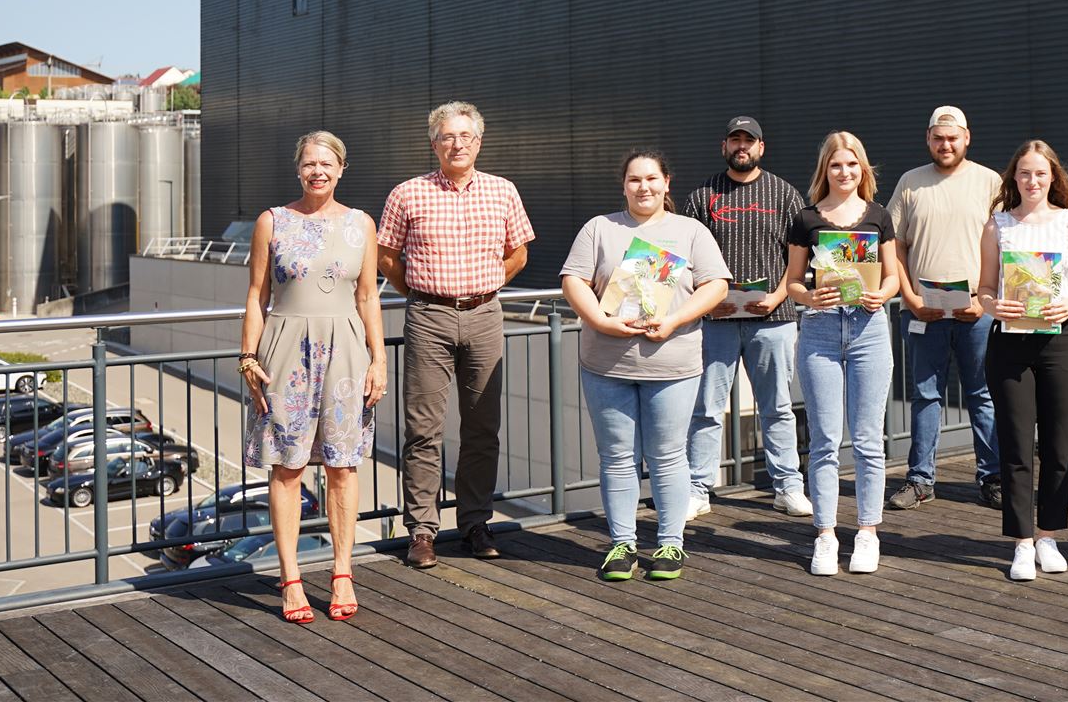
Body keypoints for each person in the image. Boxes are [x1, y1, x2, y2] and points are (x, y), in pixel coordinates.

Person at [377, 101, 534, 570]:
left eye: (466, 136)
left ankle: (474, 523)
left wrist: (480, 288)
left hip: (485, 314)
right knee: (423, 429)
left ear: (479, 142)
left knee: (483, 426)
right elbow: (387, 257)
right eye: (447, 136)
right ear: (434, 144)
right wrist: (428, 294)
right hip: (428, 316)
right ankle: (422, 530)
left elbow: (518, 253)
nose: (457, 143)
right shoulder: (408, 193)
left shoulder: (503, 191)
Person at [562, 149, 730, 582]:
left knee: (669, 455)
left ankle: (671, 544)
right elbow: (573, 280)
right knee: (617, 458)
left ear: (666, 182)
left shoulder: (690, 231)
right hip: (606, 363)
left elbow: (715, 284)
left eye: (652, 179)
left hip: (672, 364)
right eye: (635, 180)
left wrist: (674, 319)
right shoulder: (599, 228)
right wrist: (602, 321)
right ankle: (622, 544)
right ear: (624, 185)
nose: (644, 187)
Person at [239, 130, 385, 624]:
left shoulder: (361, 224)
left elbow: (368, 298)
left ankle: (342, 571)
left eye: (327, 163)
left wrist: (379, 359)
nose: (317, 171)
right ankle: (291, 579)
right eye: (309, 164)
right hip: (284, 353)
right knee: (289, 466)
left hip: (346, 350)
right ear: (297, 169)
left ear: (342, 168)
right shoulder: (272, 221)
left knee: (343, 466)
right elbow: (257, 294)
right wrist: (247, 356)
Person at [977, 140, 1068, 581]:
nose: (1033, 181)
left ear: (1054, 177)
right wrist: (995, 307)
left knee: (1058, 445)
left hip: (1060, 341)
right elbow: (983, 291)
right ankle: (1021, 541)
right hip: (1010, 344)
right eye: (1025, 173)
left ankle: (1048, 535)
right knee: (1014, 446)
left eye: (1041, 173)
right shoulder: (998, 225)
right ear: (1014, 178)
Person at [683, 116, 811, 519]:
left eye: (749, 141)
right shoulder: (703, 195)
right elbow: (686, 261)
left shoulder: (785, 194)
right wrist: (706, 300)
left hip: (773, 318)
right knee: (705, 408)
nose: (742, 147)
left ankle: (787, 486)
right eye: (735, 140)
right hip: (715, 320)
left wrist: (775, 297)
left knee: (776, 407)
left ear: (761, 147)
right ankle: (697, 488)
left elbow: (801, 260)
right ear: (724, 146)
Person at [784, 132, 900, 575]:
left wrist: (882, 296)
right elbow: (793, 281)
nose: (845, 172)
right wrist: (810, 299)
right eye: (836, 165)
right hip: (820, 331)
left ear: (863, 169)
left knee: (869, 440)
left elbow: (892, 276)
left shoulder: (879, 216)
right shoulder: (807, 219)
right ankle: (826, 535)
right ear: (825, 171)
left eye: (852, 165)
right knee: (826, 440)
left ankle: (868, 532)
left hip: (869, 329)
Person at [887, 106, 1004, 511]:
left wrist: (984, 299)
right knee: (925, 396)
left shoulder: (991, 182)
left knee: (983, 394)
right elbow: (894, 246)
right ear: (928, 139)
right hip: (924, 311)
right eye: (939, 138)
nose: (946, 144)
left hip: (976, 309)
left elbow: (1008, 247)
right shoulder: (910, 182)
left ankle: (993, 478)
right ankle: (920, 480)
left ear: (967, 138)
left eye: (953, 138)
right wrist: (912, 299)